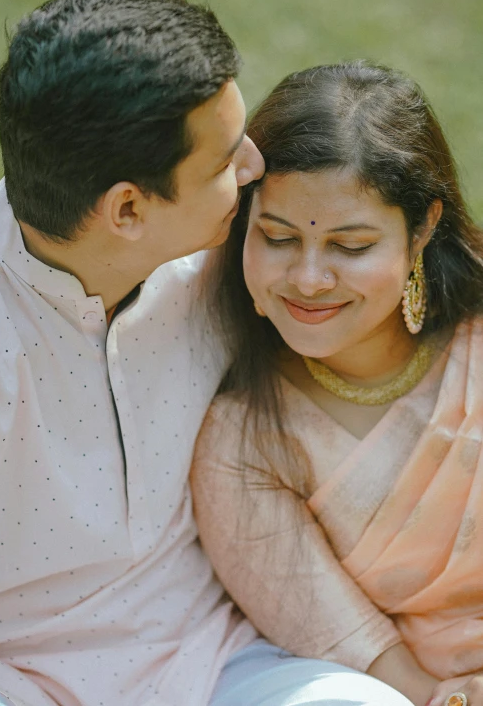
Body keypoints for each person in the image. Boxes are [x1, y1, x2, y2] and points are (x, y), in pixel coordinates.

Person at [0, 0, 412, 706]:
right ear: (129, 210)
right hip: (2, 675)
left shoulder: (220, 259)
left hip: (211, 658)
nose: (255, 164)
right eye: (225, 159)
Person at [192, 61, 483, 706]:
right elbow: (348, 642)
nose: (309, 278)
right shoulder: (247, 441)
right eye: (277, 237)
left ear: (424, 228)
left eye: (351, 247)